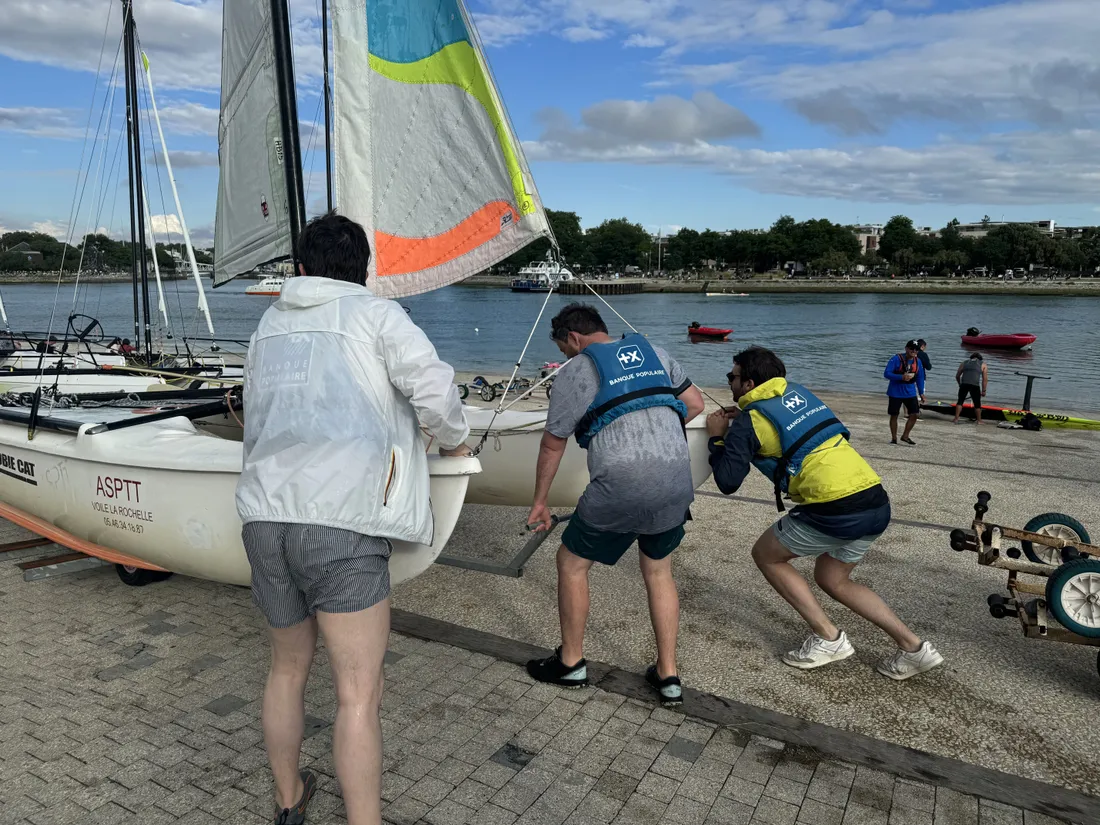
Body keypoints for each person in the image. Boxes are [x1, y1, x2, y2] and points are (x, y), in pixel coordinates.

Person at [235, 212, 471, 825]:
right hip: (342, 520)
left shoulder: (268, 326)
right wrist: (452, 442)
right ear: (364, 269)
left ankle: (289, 803)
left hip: (265, 518)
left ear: (300, 268)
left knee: (286, 671)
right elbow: (437, 396)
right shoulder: (377, 315)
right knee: (357, 694)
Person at [706, 346, 943, 680]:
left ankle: (828, 638)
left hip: (834, 507)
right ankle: (914, 648)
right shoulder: (797, 393)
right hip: (875, 499)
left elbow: (728, 481)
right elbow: (784, 427)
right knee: (832, 579)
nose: (729, 381)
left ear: (748, 383)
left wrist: (718, 439)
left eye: (732, 376)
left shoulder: (749, 421)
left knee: (767, 555)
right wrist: (743, 422)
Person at [525, 303, 705, 706]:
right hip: (677, 479)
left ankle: (570, 664)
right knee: (659, 571)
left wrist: (540, 501)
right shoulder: (656, 352)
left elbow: (553, 443)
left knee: (572, 563)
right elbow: (695, 404)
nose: (570, 357)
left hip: (621, 484)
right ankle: (669, 675)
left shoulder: (573, 371)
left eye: (566, 349)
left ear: (572, 338)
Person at [884, 340, 925, 445]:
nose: (914, 351)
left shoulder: (918, 361)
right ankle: (894, 438)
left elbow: (920, 377)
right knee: (894, 415)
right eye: (912, 349)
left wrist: (921, 393)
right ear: (906, 348)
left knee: (915, 414)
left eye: (916, 349)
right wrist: (901, 377)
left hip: (910, 392)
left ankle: (905, 436)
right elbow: (887, 374)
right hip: (895, 392)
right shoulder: (896, 359)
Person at [953, 353, 988, 424]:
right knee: (977, 404)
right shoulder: (983, 364)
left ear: (971, 357)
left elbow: (957, 376)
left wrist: (960, 384)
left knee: (960, 401)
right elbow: (985, 379)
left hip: (964, 384)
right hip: (975, 385)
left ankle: (956, 419)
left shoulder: (964, 363)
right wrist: (984, 390)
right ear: (980, 358)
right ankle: (979, 420)